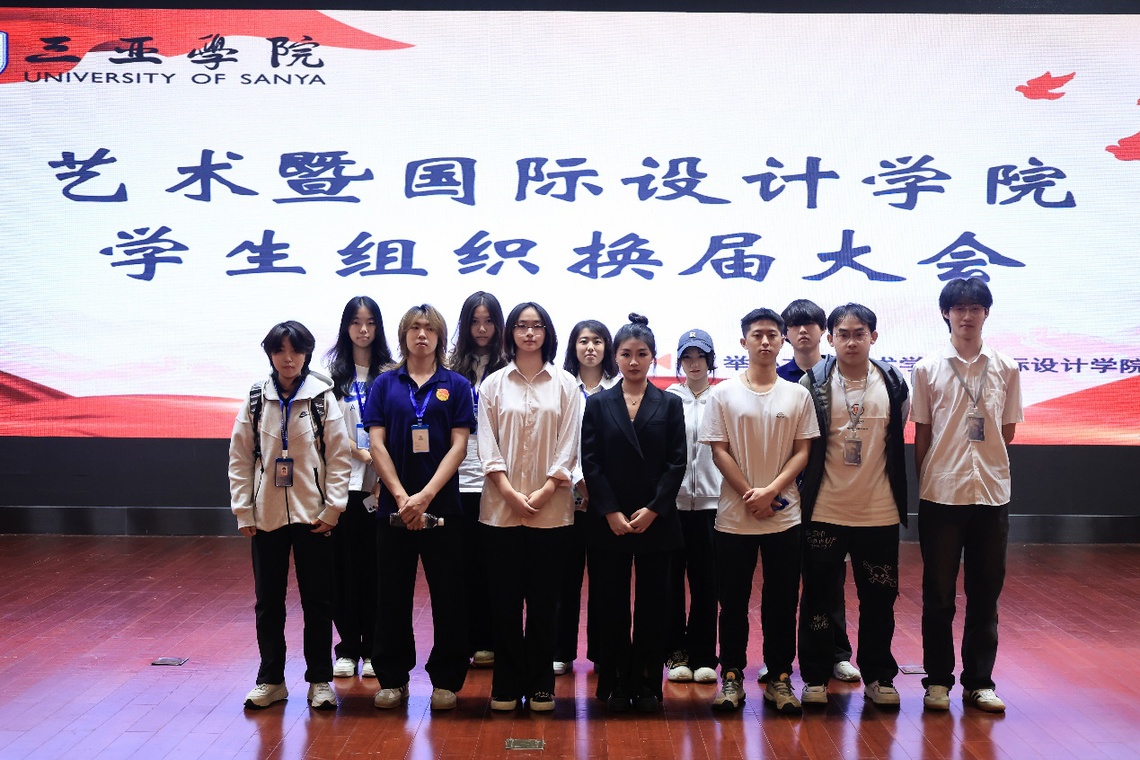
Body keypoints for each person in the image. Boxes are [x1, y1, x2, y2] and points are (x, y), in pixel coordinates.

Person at [700, 308, 819, 715]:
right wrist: (751, 494)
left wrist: (770, 492)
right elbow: (719, 450)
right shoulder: (723, 393)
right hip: (735, 517)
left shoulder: (797, 394)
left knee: (782, 601)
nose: (765, 341)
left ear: (782, 339)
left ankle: (780, 678)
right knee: (732, 602)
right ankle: (732, 676)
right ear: (743, 341)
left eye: (772, 334)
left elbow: (803, 451)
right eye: (757, 335)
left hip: (784, 515)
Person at [911, 279, 1022, 713]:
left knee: (985, 594)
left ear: (986, 313)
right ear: (946, 314)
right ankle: (937, 681)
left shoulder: (1006, 367)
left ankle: (979, 682)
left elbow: (1007, 430)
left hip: (991, 494)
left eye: (975, 308)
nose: (967, 315)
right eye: (959, 308)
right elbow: (923, 433)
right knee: (938, 595)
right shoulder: (927, 368)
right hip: (941, 494)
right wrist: (927, 481)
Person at [229, 321, 353, 711]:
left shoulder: (322, 397)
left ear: (306, 354)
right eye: (280, 350)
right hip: (265, 515)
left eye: (295, 350)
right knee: (268, 602)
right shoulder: (255, 398)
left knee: (318, 601)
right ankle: (271, 680)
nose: (288, 358)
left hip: (313, 516)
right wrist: (243, 510)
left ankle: (319, 679)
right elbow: (240, 458)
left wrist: (333, 509)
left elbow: (339, 458)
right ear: (270, 354)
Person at [796, 304, 910, 709]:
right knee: (818, 597)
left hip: (878, 511)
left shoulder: (893, 381)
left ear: (873, 337)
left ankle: (879, 675)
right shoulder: (813, 382)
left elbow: (896, 434)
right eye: (842, 334)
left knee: (879, 598)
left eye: (859, 333)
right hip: (825, 509)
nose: (851, 341)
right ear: (830, 339)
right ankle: (814, 677)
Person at [362, 304, 475, 711]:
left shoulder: (456, 384)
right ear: (403, 335)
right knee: (391, 596)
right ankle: (393, 678)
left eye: (429, 328)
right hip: (393, 509)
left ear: (440, 337)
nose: (421, 334)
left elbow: (459, 446)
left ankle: (446, 679)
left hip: (443, 508)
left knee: (449, 596)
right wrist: (400, 496)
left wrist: (424, 496)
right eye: (414, 327)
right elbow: (376, 444)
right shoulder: (384, 384)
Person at [478, 302, 580, 712]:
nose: (530, 333)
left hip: (551, 512)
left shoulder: (566, 384)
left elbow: (569, 444)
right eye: (522, 326)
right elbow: (487, 445)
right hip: (500, 511)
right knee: (503, 603)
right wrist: (508, 492)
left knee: (543, 603)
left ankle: (541, 684)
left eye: (537, 326)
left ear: (547, 333)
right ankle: (505, 683)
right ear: (511, 333)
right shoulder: (493, 384)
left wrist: (545, 490)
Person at [582, 314, 686, 713]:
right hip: (610, 521)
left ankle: (646, 683)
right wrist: (609, 510)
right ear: (615, 356)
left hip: (655, 520)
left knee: (653, 607)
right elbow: (590, 461)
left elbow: (677, 462)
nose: (634, 361)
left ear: (652, 357)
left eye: (642, 354)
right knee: (610, 605)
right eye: (626, 354)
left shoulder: (669, 403)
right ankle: (614, 682)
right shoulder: (598, 403)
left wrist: (655, 509)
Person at [776, 298, 860, 686]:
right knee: (785, 579)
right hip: (787, 493)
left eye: (810, 324)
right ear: (786, 334)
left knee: (830, 578)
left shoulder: (838, 373)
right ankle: (779, 658)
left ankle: (838, 654)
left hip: (831, 491)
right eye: (795, 325)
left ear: (822, 332)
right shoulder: (777, 378)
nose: (802, 331)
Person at [325, 297, 393, 681]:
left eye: (370, 322)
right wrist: (361, 452)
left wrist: (380, 467)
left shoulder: (391, 374)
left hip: (381, 486)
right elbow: (328, 429)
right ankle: (348, 648)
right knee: (343, 569)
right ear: (346, 327)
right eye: (356, 322)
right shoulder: (331, 377)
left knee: (378, 571)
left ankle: (374, 649)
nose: (363, 329)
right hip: (342, 484)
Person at [554, 319, 620, 677]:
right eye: (583, 341)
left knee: (606, 579)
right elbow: (557, 439)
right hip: (566, 495)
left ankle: (603, 651)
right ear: (573, 347)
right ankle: (561, 650)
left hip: (607, 499)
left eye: (597, 341)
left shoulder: (620, 386)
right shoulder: (561, 386)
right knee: (565, 578)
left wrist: (600, 489)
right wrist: (580, 480)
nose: (590, 347)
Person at [448, 291, 508, 670]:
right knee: (462, 565)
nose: (482, 329)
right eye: (475, 321)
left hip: (498, 480)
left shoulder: (510, 367)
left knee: (496, 566)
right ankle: (467, 639)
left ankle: (493, 640)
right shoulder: (451, 369)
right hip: (459, 479)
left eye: (488, 321)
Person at [664, 329, 722, 685]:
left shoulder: (724, 397)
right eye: (687, 357)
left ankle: (704, 655)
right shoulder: (668, 398)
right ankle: (675, 653)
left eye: (700, 356)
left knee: (707, 585)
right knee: (670, 584)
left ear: (710, 360)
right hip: (673, 506)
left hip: (714, 506)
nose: (694, 363)